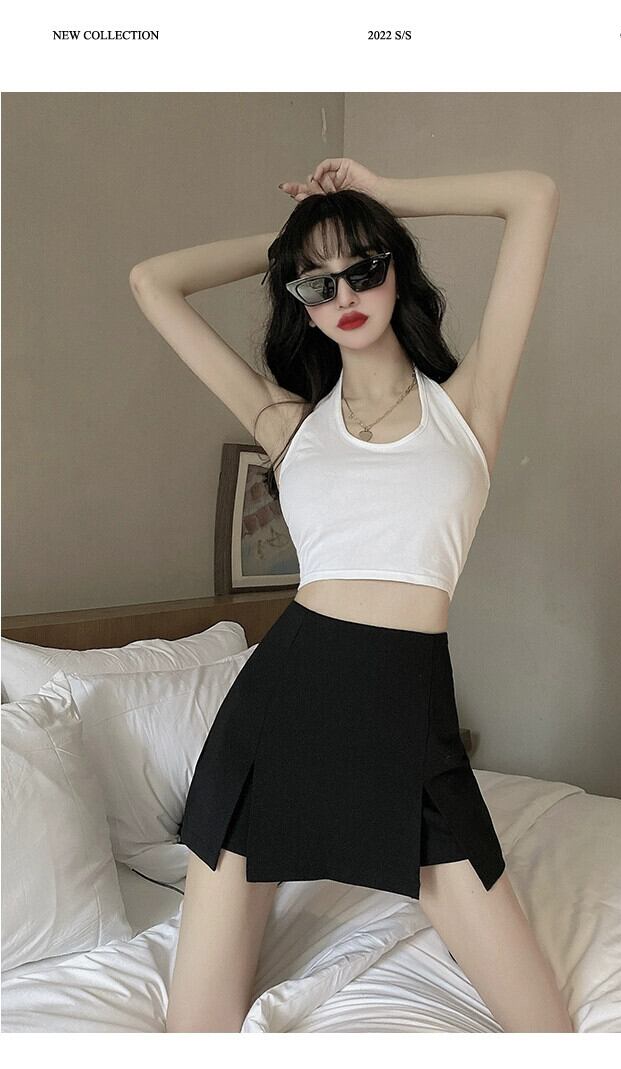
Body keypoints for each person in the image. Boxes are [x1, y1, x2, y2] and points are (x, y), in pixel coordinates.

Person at [129, 158, 570, 1033]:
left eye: (364, 267)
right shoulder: (287, 423)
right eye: (317, 283)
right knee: (197, 1029)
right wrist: (300, 239)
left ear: (396, 267)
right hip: (278, 716)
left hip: (408, 716)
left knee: (544, 1028)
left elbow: (532, 197)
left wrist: (371, 201)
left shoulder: (467, 407)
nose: (345, 294)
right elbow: (152, 282)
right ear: (299, 299)